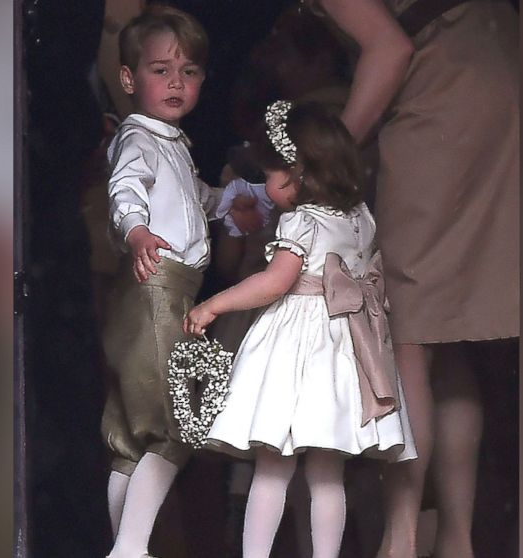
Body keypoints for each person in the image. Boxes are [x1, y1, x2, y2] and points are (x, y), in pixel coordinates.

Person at [312, 1, 520, 557]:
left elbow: (390, 47)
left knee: (408, 336)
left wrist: (320, 160)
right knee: (449, 339)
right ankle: (456, 542)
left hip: (443, 102)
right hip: (502, 69)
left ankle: (399, 540)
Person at [184, 100, 417, 558]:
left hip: (299, 350)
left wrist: (216, 303)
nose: (267, 185)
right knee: (327, 475)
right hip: (342, 354)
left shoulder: (302, 220)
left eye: (271, 174)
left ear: (298, 174)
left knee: (272, 468)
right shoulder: (360, 217)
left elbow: (276, 281)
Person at [99, 7, 245, 558]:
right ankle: (130, 550)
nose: (177, 82)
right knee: (176, 423)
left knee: (131, 439)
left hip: (164, 289)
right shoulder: (139, 140)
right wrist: (137, 234)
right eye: (161, 70)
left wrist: (232, 198)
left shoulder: (170, 142)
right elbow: (126, 193)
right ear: (130, 79)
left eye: (190, 71)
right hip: (157, 285)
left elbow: (194, 199)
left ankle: (126, 545)